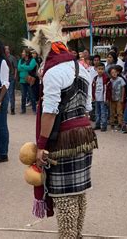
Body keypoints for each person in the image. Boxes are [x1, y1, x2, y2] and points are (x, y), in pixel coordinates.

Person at [25, 21, 97, 237]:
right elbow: (88, 108)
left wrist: (41, 146)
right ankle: (76, 234)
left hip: (63, 138)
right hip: (84, 135)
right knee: (79, 192)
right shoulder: (82, 69)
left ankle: (68, 237)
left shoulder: (52, 72)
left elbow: (49, 112)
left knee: (65, 195)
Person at [18, 48, 37, 114]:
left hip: (29, 80)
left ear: (27, 54)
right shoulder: (21, 60)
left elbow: (31, 67)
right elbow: (19, 68)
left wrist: (23, 66)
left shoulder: (33, 60)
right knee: (23, 96)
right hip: (22, 80)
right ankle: (23, 110)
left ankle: (34, 110)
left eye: (23, 52)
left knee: (32, 96)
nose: (22, 53)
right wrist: (25, 66)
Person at [92, 63, 110, 132]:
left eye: (102, 69)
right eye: (99, 69)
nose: (100, 71)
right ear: (96, 69)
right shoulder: (95, 78)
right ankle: (97, 125)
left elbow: (108, 90)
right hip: (97, 99)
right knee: (97, 112)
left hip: (103, 99)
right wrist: (93, 96)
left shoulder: (106, 78)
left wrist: (107, 99)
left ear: (104, 70)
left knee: (103, 113)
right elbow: (93, 88)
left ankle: (104, 126)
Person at [5, 46, 17, 115]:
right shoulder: (3, 58)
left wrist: (15, 76)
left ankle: (12, 108)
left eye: (7, 49)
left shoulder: (12, 58)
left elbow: (15, 67)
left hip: (11, 77)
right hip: (5, 78)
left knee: (11, 93)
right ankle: (5, 109)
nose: (6, 50)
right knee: (5, 93)